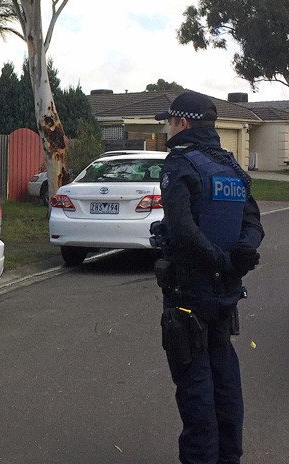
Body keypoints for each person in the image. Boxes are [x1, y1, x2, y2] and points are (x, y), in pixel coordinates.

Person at [151, 91, 264, 464]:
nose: (168, 128)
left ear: (182, 123)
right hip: (225, 300)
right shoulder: (230, 166)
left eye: (169, 121)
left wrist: (218, 262)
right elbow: (253, 224)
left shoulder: (179, 165)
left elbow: (182, 228)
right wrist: (235, 262)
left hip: (189, 302)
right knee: (227, 391)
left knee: (197, 398)